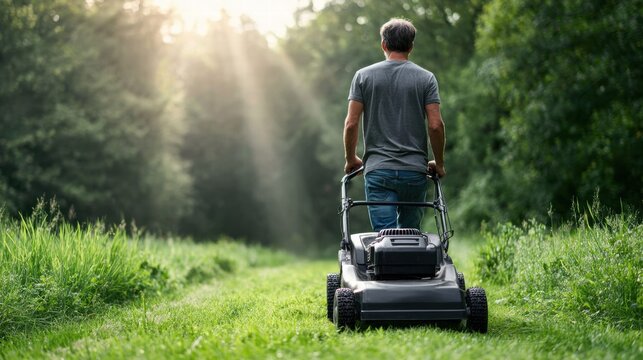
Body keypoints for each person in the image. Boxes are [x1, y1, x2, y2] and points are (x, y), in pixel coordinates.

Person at [343, 18, 446, 232]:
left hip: (378, 171)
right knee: (410, 239)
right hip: (414, 172)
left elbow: (351, 123)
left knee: (385, 240)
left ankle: (386, 264)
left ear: (383, 44)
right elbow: (435, 125)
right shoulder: (426, 78)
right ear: (411, 46)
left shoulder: (363, 76)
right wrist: (440, 163)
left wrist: (351, 158)